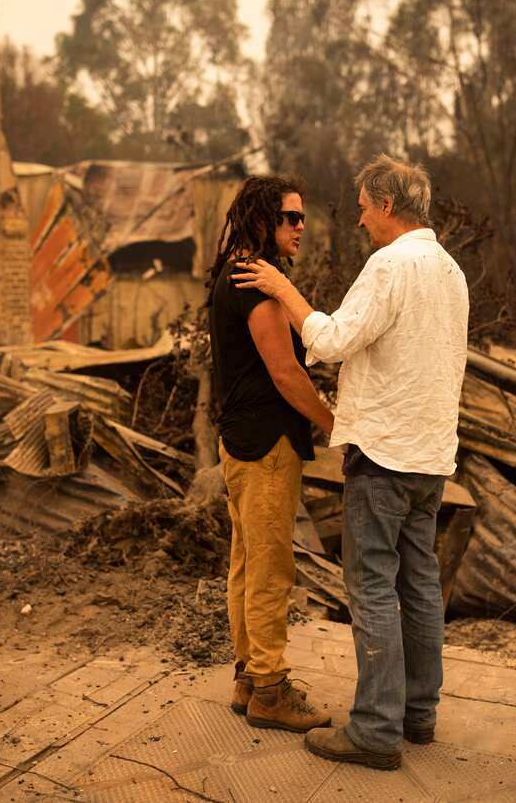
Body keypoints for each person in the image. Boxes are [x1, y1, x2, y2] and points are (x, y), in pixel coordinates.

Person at [232, 155, 469, 770]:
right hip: (429, 458)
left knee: (371, 590)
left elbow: (332, 340)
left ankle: (373, 731)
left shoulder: (390, 265)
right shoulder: (450, 271)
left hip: (384, 454)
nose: (359, 219)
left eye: (364, 206)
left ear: (388, 206)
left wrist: (284, 290)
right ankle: (418, 715)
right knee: (418, 587)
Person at [207, 175, 335, 734]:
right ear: (263, 220)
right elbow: (286, 373)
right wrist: (337, 423)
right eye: (291, 217)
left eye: (302, 216)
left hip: (240, 439)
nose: (301, 226)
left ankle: (248, 678)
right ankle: (270, 690)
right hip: (265, 445)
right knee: (270, 567)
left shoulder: (235, 272)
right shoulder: (257, 286)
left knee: (246, 562)